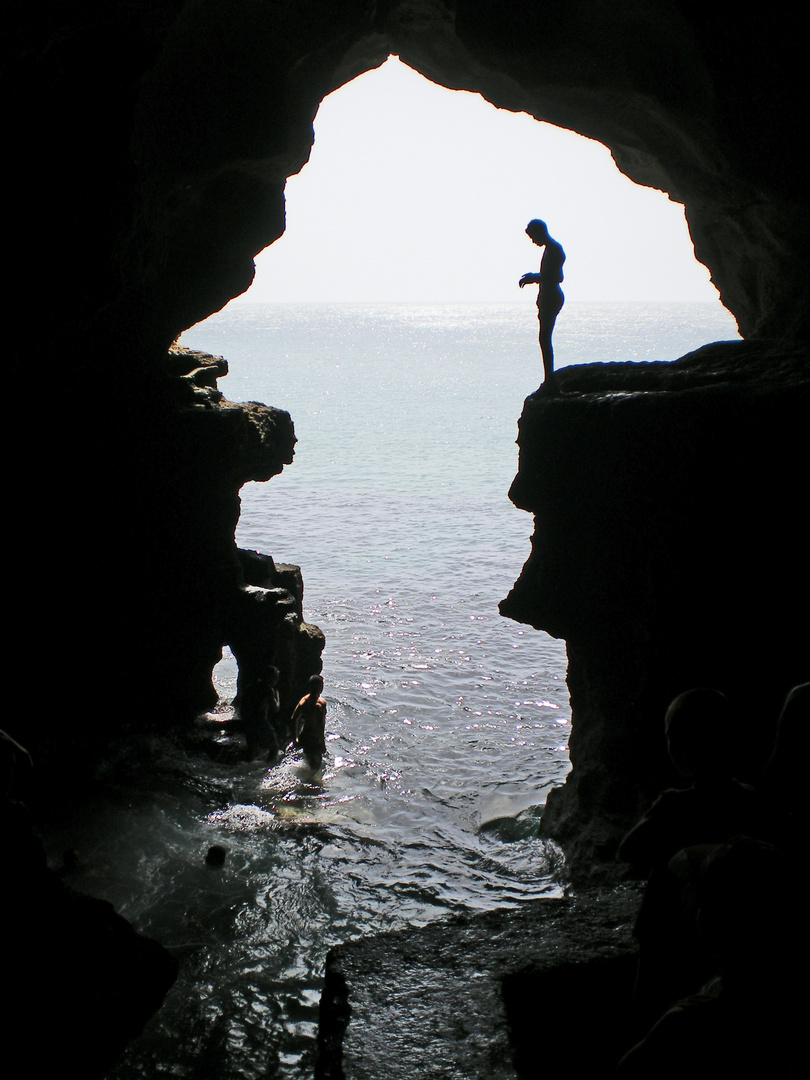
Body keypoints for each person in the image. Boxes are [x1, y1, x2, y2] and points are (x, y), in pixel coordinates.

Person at [518, 219, 566, 384]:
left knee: (545, 337)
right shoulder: (549, 249)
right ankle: (548, 377)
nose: (533, 241)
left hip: (552, 297)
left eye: (533, 237)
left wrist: (535, 277)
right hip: (547, 296)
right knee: (543, 338)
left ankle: (549, 379)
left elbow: (558, 277)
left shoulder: (555, 249)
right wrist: (537, 277)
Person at [291, 674, 327, 769]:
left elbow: (294, 719)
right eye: (319, 686)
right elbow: (295, 718)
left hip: (309, 735)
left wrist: (296, 737)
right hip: (311, 736)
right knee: (315, 764)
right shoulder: (307, 702)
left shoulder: (318, 702)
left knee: (312, 763)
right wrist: (295, 737)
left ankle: (307, 779)